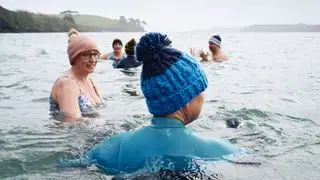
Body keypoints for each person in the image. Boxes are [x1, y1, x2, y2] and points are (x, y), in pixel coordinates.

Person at [57, 32, 239, 174]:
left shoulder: (114, 147)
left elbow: (65, 167)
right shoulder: (219, 150)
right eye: (200, 91)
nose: (202, 97)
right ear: (185, 100)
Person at [49, 29, 104, 122]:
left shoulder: (90, 80)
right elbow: (72, 124)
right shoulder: (67, 83)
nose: (93, 59)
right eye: (86, 55)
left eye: (95, 54)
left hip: (95, 132)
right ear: (74, 57)